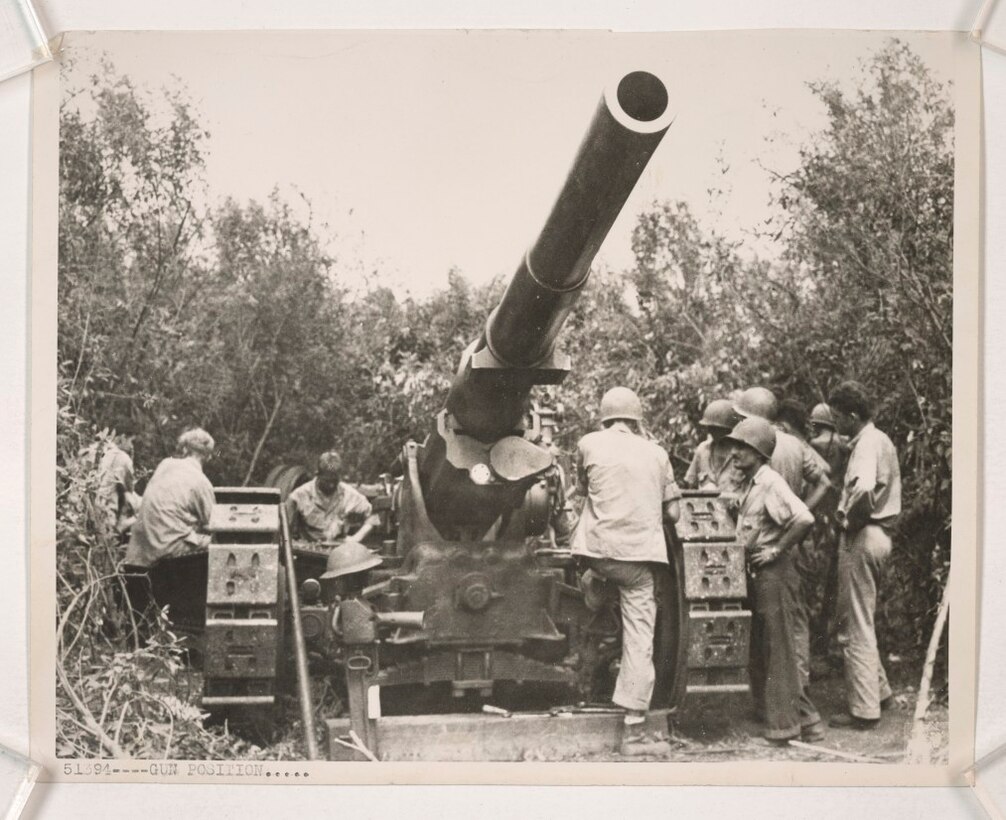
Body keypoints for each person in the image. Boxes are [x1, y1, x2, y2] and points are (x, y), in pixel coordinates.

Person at [570, 386, 680, 753]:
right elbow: (675, 514)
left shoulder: (589, 443)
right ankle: (634, 729)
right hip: (636, 562)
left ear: (605, 418)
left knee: (601, 577)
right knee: (639, 635)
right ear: (637, 421)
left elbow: (583, 491)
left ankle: (594, 588)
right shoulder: (657, 453)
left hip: (596, 552)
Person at [727, 416, 824, 744]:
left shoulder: (770, 482)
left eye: (743, 447)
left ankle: (785, 728)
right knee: (767, 646)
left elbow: (804, 518)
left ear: (759, 452)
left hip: (775, 574)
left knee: (778, 648)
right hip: (761, 576)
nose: (735, 453)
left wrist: (775, 550)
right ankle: (807, 721)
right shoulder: (753, 483)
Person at [734, 386, 830, 691]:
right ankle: (798, 684)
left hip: (770, 539)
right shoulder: (795, 444)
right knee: (795, 617)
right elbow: (825, 479)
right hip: (792, 538)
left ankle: (779, 694)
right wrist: (803, 507)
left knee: (769, 624)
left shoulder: (756, 446)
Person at [826, 381, 901, 730]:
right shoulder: (877, 438)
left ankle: (864, 709)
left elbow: (865, 487)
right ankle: (880, 693)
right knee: (863, 618)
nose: (836, 423)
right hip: (879, 535)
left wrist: (847, 519)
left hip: (864, 532)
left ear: (853, 416)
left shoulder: (867, 444)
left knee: (854, 624)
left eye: (839, 417)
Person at [121, 428, 217, 631]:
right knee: (221, 546)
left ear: (183, 448)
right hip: (167, 550)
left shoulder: (165, 465)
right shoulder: (201, 482)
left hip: (140, 549)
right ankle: (204, 616)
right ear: (207, 456)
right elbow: (213, 524)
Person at [286, 451, 378, 542]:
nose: (331, 485)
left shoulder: (348, 494)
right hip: (308, 551)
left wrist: (356, 538)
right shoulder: (299, 495)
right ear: (318, 475)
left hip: (338, 550)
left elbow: (373, 516)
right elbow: (284, 526)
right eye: (327, 481)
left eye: (334, 481)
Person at [684, 398, 743, 494]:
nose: (710, 431)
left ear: (728, 429)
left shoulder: (742, 454)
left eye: (715, 428)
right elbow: (690, 485)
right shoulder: (702, 450)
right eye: (709, 427)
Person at [95, 428, 141, 539]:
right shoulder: (124, 458)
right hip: (107, 509)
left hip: (91, 504)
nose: (131, 447)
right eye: (131, 442)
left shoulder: (99, 450)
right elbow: (130, 490)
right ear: (123, 437)